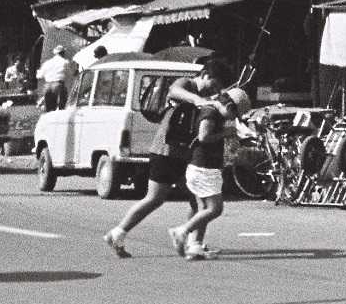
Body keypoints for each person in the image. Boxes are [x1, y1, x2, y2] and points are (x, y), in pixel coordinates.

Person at [103, 57, 228, 258]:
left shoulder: (208, 95)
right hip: (166, 151)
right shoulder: (187, 83)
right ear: (205, 75)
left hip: (184, 154)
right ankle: (118, 233)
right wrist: (198, 100)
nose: (215, 90)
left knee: (198, 201)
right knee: (155, 198)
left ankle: (193, 243)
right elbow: (174, 91)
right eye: (215, 84)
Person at [174, 87, 250, 260]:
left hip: (202, 166)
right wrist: (226, 133)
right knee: (215, 209)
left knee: (202, 208)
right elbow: (203, 137)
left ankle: (195, 247)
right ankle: (182, 231)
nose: (232, 119)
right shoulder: (210, 113)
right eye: (234, 114)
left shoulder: (214, 112)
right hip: (203, 167)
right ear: (229, 106)